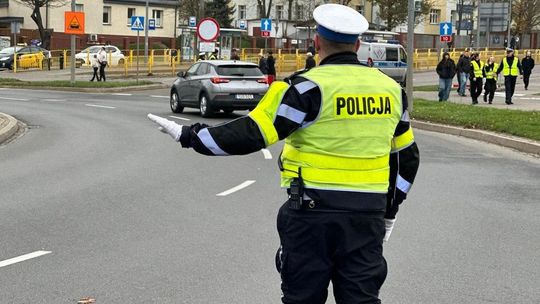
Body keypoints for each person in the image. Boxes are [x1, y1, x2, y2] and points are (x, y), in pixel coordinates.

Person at [147, 4, 420, 303]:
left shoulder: (305, 89)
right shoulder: (391, 91)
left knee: (302, 298)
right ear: (357, 45)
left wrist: (189, 135)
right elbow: (406, 158)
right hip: (367, 215)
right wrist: (389, 213)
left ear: (316, 43)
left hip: (312, 214)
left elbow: (253, 132)